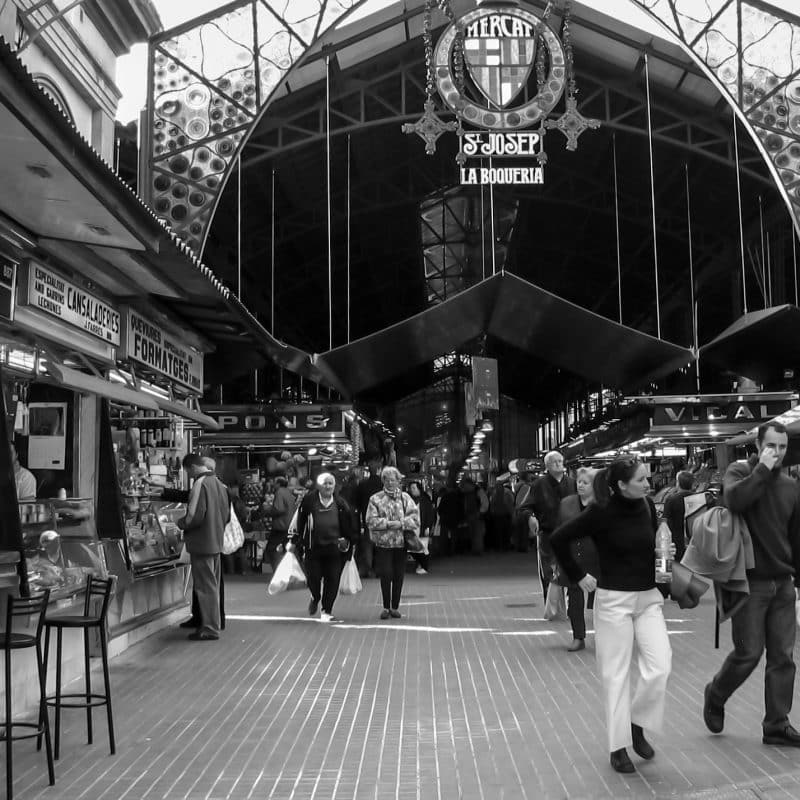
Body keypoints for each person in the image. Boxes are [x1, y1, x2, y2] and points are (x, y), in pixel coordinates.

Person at [551, 456, 672, 774]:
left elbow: (653, 548)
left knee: (660, 666)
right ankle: (618, 747)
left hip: (648, 598)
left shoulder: (647, 505)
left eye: (647, 479)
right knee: (615, 675)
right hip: (614, 601)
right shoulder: (601, 511)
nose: (649, 484)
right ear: (621, 485)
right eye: (642, 480)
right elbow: (559, 538)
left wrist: (665, 566)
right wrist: (578, 575)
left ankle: (637, 723)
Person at [703, 421, 800, 748]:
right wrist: (763, 471)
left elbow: (796, 537)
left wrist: (797, 580)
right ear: (758, 446)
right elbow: (734, 502)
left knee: (783, 657)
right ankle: (716, 693)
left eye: (783, 447)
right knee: (749, 653)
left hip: (782, 583)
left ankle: (776, 724)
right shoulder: (739, 472)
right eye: (771, 446)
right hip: (748, 583)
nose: (777, 452)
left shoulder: (790, 486)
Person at [287, 472, 354, 623]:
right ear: (318, 485)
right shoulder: (309, 501)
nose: (328, 486)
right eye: (325, 483)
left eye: (330, 483)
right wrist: (294, 541)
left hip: (334, 549)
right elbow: (300, 521)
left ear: (334, 486)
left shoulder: (341, 503)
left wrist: (349, 541)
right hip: (313, 548)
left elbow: (349, 524)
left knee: (332, 580)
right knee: (314, 578)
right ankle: (315, 596)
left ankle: (327, 611)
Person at [177, 453, 230, 641]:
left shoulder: (201, 483)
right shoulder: (219, 484)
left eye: (188, 471)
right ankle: (214, 624)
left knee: (205, 587)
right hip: (215, 541)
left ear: (192, 467)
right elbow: (226, 515)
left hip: (202, 543)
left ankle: (209, 628)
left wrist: (180, 523)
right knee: (212, 586)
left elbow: (194, 515)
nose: (189, 475)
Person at [366, 466, 420, 619]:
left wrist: (401, 523)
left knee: (398, 575)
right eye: (387, 480)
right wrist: (388, 524)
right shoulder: (375, 498)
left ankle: (395, 607)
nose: (390, 483)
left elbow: (415, 520)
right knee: (386, 574)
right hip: (383, 544)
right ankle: (385, 607)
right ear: (383, 481)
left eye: (393, 480)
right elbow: (370, 520)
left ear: (398, 481)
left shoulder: (405, 498)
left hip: (401, 544)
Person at [555, 467, 599, 652]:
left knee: (603, 600)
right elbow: (559, 530)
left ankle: (607, 636)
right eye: (578, 482)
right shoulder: (566, 503)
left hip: (598, 557)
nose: (580, 485)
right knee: (574, 600)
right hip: (573, 557)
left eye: (585, 482)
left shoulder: (604, 504)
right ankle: (578, 637)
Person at [531, 452, 576, 603]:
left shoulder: (572, 483)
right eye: (555, 462)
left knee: (571, 568)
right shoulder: (538, 485)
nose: (559, 464)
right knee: (549, 570)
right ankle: (552, 606)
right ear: (547, 466)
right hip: (548, 534)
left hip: (570, 534)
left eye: (560, 461)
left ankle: (572, 605)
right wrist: (530, 517)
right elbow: (525, 507)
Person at [355, 459, 383, 578]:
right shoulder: (383, 484)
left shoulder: (362, 484)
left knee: (368, 544)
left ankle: (367, 568)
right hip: (381, 518)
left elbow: (358, 502)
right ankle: (379, 569)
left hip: (367, 517)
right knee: (380, 544)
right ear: (379, 470)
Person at [264, 476, 296, 573]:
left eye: (274, 482)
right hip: (289, 525)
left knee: (271, 549)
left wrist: (267, 509)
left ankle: (278, 571)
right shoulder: (289, 493)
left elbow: (279, 509)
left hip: (280, 526)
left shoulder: (279, 492)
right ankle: (288, 572)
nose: (273, 484)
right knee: (288, 550)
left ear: (278, 483)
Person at [663, 470, 695, 562]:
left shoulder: (671, 500)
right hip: (694, 544)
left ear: (678, 483)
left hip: (676, 545)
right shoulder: (698, 498)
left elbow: (665, 524)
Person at [408, 481, 434, 574]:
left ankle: (424, 566)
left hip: (422, 527)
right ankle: (421, 564)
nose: (412, 490)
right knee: (413, 548)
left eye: (414, 488)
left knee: (423, 548)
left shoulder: (425, 501)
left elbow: (429, 515)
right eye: (411, 488)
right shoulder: (410, 500)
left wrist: (428, 527)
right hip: (413, 528)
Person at [488, 480, 514, 551]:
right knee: (501, 531)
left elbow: (510, 502)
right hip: (499, 514)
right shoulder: (499, 492)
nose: (497, 487)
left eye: (498, 485)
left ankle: (503, 546)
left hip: (503, 514)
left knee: (503, 531)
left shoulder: (504, 492)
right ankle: (502, 546)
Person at [512, 472, 535, 552]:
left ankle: (518, 545)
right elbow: (526, 499)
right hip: (524, 509)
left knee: (518, 529)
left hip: (516, 510)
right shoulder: (526, 487)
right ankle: (523, 546)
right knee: (524, 529)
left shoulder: (516, 486)